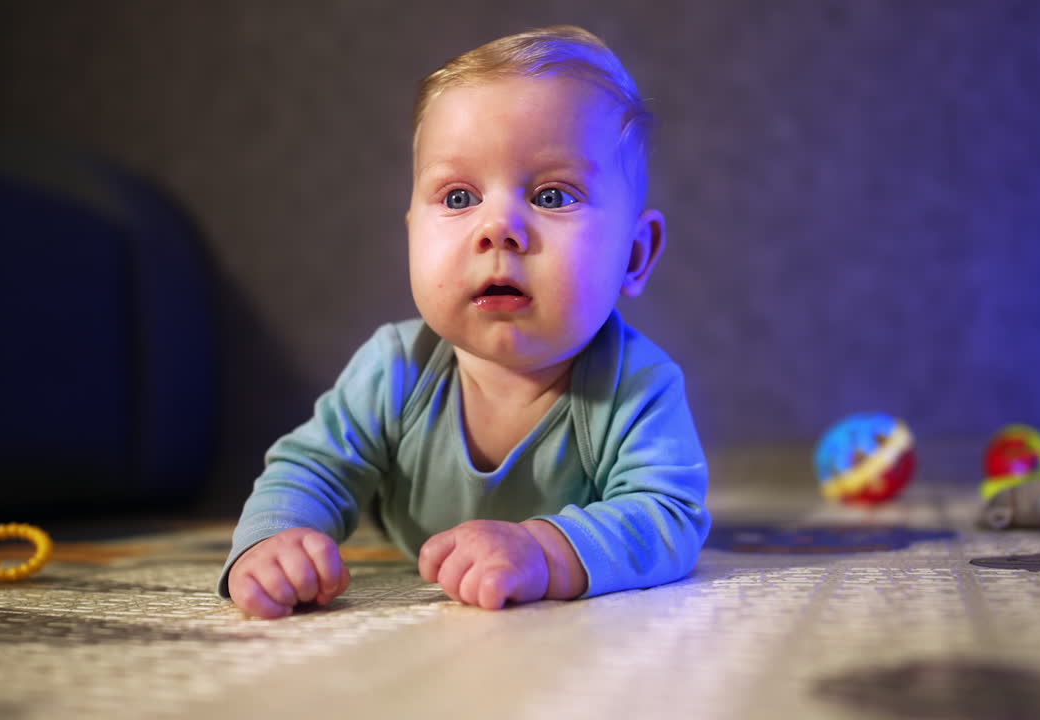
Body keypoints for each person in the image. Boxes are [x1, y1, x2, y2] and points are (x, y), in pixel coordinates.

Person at [220, 25, 711, 617]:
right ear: (411, 235)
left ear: (634, 255)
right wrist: (273, 540)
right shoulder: (395, 368)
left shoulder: (637, 385)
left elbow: (668, 515)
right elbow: (315, 467)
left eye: (553, 196)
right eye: (458, 198)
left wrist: (542, 549)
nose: (497, 227)